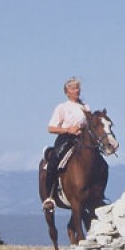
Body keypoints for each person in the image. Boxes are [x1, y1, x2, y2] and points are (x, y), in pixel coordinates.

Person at [44, 76, 90, 210]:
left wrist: (82, 129)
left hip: (82, 139)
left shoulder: (86, 107)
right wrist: (68, 130)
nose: (77, 90)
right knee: (54, 162)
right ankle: (49, 196)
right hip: (66, 139)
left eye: (78, 88)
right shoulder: (62, 107)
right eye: (74, 88)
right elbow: (51, 128)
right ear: (67, 92)